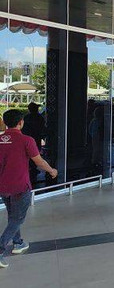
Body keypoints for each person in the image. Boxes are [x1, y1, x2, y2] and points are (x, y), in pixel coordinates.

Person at [0, 109, 58, 268]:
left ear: (5, 123)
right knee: (17, 218)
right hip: (20, 186)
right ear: (21, 123)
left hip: (3, 186)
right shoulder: (26, 140)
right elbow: (39, 162)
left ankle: (18, 243)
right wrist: (52, 170)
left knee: (13, 216)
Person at [21, 103, 46, 186]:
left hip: (29, 139)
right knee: (35, 153)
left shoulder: (27, 117)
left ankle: (31, 168)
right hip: (36, 138)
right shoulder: (39, 118)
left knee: (28, 154)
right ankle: (33, 168)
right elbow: (43, 128)